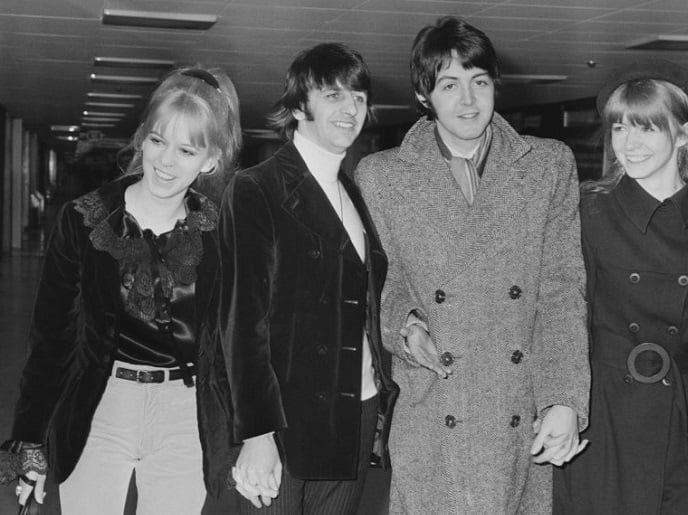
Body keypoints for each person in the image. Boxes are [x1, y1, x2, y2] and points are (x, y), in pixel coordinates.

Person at [354, 16, 591, 514]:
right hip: (433, 406)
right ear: (424, 96)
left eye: (479, 82)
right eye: (449, 85)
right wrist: (405, 327)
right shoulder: (381, 177)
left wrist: (564, 399)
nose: (468, 101)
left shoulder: (547, 166)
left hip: (516, 409)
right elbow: (377, 286)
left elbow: (562, 291)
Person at [2, 65, 242, 514]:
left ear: (210, 160)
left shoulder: (221, 233)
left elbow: (238, 342)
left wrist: (254, 435)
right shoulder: (85, 220)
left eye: (186, 150)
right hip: (100, 405)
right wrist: (31, 440)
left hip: (185, 415)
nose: (166, 161)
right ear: (141, 139)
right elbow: (51, 339)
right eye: (158, 141)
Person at [553, 59, 688, 515]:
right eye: (620, 128)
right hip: (601, 412)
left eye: (647, 128)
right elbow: (562, 319)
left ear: (683, 135)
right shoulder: (588, 210)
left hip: (678, 412)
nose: (629, 144)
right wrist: (556, 405)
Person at [218, 42, 399, 514]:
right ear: (299, 107)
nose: (351, 109)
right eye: (334, 95)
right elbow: (242, 322)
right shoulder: (257, 188)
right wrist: (257, 433)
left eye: (358, 97)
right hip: (284, 417)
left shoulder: (352, 192)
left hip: (355, 406)